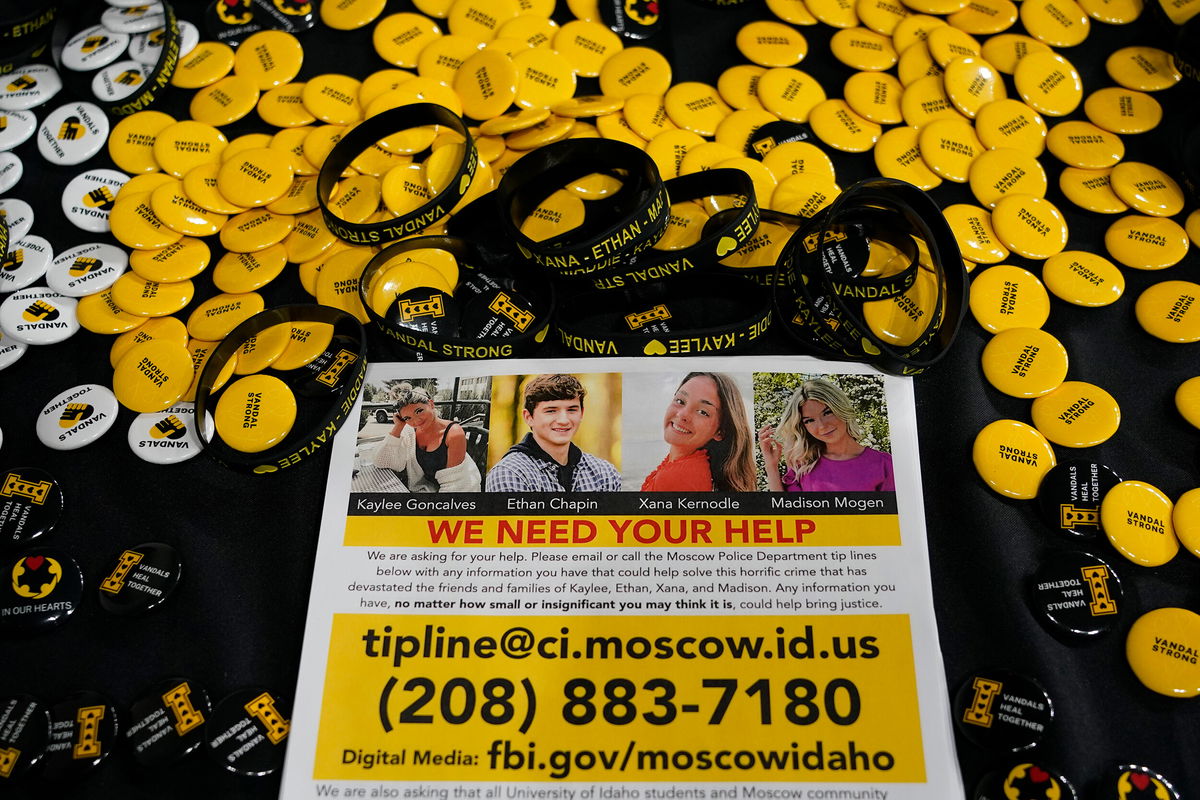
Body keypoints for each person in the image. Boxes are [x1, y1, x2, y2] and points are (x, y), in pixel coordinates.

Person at [485, 374, 621, 492]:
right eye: (551, 411)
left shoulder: (606, 473)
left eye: (572, 410)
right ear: (529, 417)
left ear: (582, 413)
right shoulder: (510, 474)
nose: (564, 420)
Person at [758, 378, 894, 492]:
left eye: (827, 413)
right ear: (803, 427)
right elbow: (786, 515)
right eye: (809, 420)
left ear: (841, 408)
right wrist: (771, 466)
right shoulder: (802, 465)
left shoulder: (885, 464)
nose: (822, 426)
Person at [642, 372, 755, 492]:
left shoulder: (679, 476)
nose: (682, 415)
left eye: (702, 412)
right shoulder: (687, 465)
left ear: (720, 432)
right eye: (680, 401)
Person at [372, 383, 481, 492]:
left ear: (431, 404)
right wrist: (398, 427)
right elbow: (381, 461)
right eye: (407, 418)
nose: (416, 421)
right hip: (429, 488)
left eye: (419, 411)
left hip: (460, 491)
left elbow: (455, 486)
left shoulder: (454, 433)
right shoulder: (411, 430)